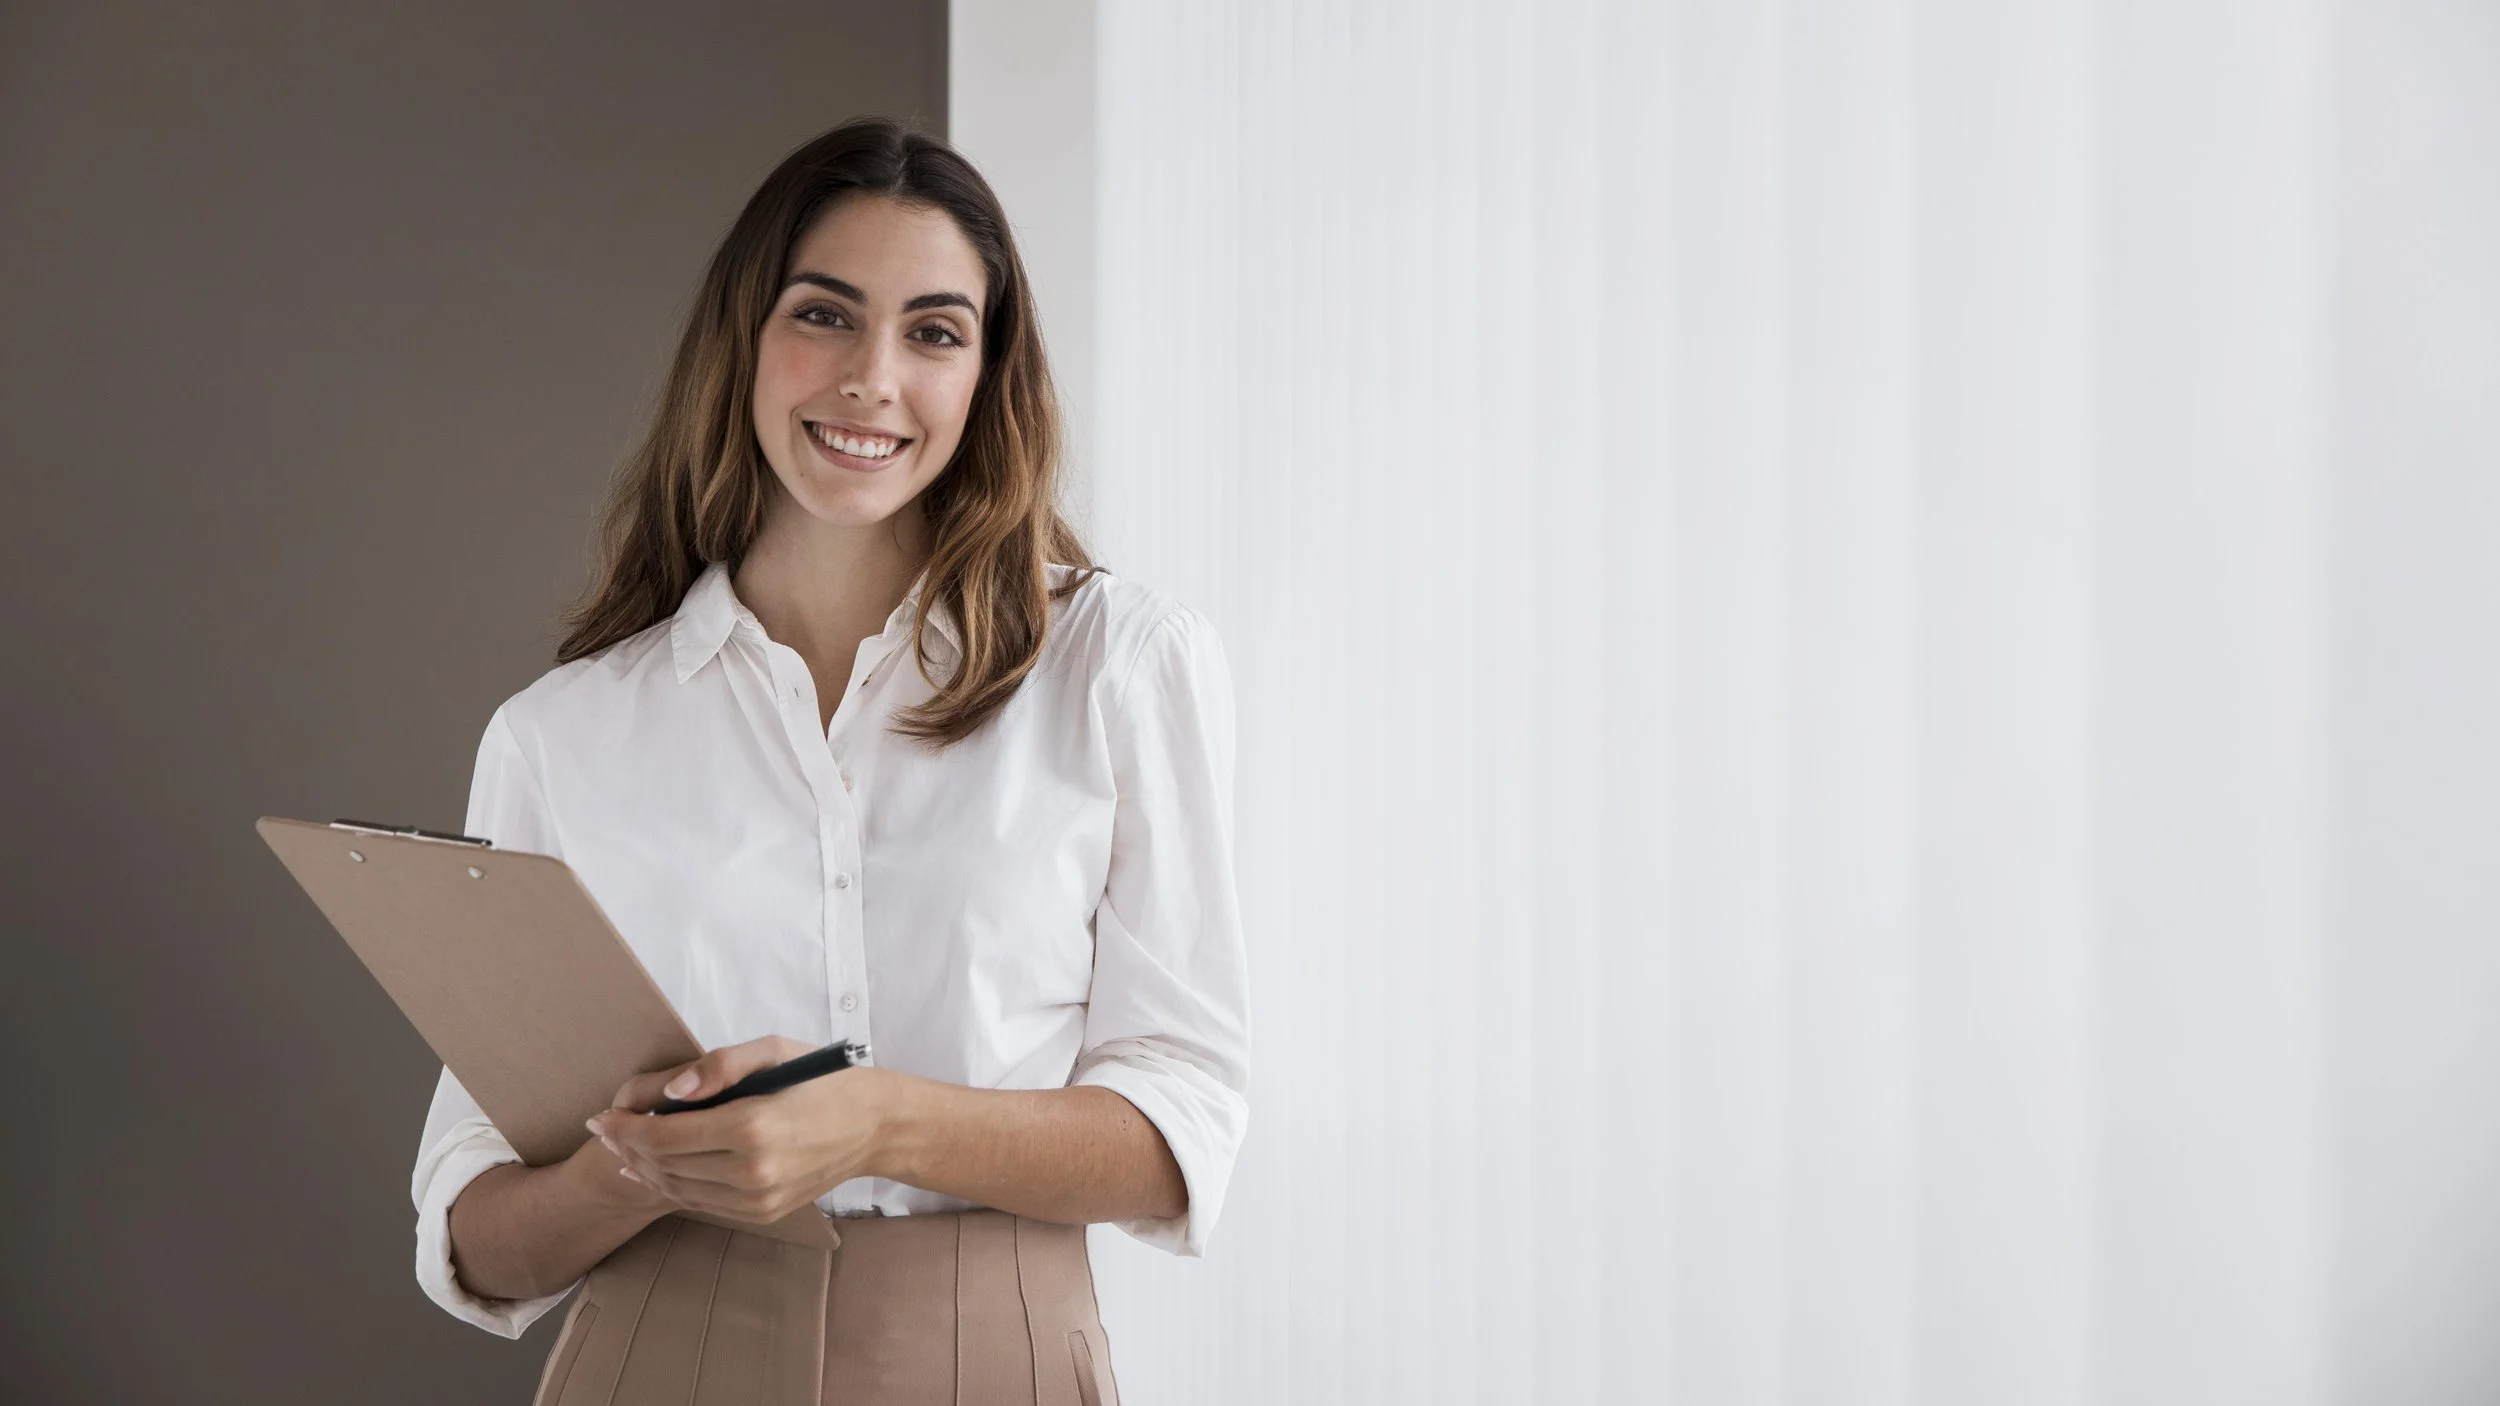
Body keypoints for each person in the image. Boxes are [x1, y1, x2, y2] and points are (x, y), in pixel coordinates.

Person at [405, 114, 1250, 1405]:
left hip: (999, 1351)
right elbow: (476, 1233)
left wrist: (873, 1118)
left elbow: (1181, 1125)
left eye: (933, 331)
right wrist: (640, 1162)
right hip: (653, 1353)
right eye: (824, 315)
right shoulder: (562, 733)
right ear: (744, 339)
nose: (871, 379)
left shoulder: (1117, 664)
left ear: (987, 373)